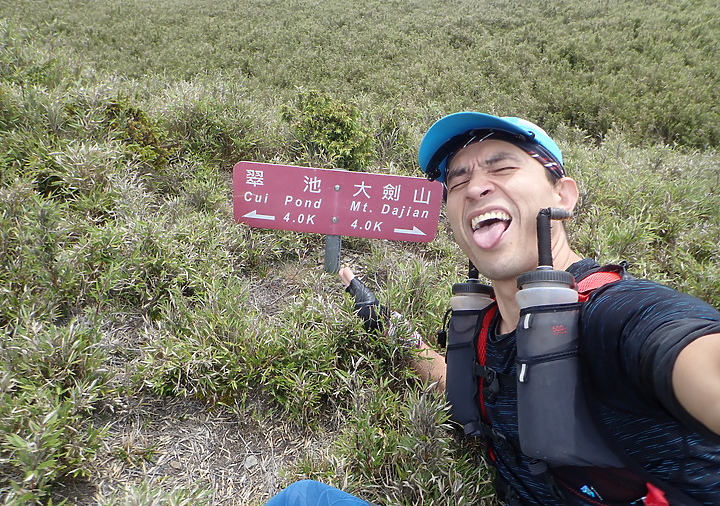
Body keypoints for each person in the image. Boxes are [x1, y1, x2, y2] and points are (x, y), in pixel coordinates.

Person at [266, 112, 720, 505]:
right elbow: (457, 378)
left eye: (501, 167)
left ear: (563, 195)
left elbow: (689, 350)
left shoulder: (616, 315)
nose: (475, 187)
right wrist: (365, 300)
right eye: (456, 180)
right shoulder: (489, 328)